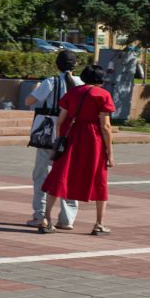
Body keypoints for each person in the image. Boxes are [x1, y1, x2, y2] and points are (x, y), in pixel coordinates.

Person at [40, 64, 115, 235]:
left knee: (59, 176)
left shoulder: (73, 92)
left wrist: (59, 140)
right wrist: (109, 152)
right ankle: (99, 224)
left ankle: (46, 218)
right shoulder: (103, 95)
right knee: (99, 179)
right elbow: (106, 126)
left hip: (70, 137)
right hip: (93, 141)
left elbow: (60, 120)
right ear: (101, 79)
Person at [21, 50, 81, 230]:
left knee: (42, 175)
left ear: (57, 65)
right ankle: (67, 218)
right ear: (75, 65)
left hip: (48, 135)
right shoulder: (80, 83)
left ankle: (40, 215)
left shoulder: (50, 82)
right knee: (69, 175)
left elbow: (28, 101)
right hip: (72, 134)